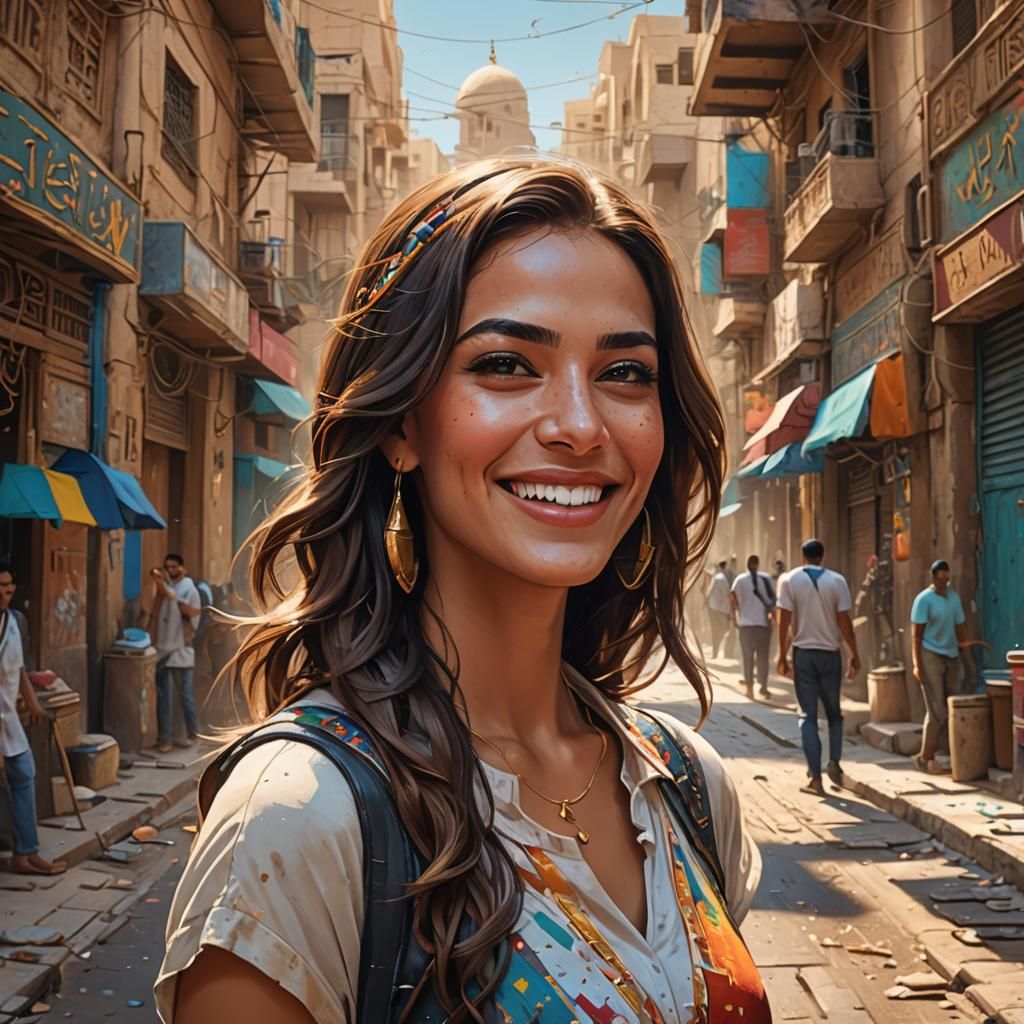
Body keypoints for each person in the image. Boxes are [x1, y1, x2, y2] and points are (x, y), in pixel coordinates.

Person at [156, 160, 768, 1024]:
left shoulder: (689, 790)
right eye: (509, 364)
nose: (581, 426)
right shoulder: (300, 824)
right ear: (401, 423)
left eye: (625, 373)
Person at [777, 539, 860, 796]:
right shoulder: (837, 581)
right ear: (822, 556)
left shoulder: (789, 580)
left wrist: (782, 655)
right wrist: (854, 654)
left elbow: (784, 621)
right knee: (834, 713)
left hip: (803, 656)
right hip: (830, 656)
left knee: (808, 716)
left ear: (803, 556)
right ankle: (834, 763)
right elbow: (844, 621)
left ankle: (816, 778)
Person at [0, 563, 66, 876]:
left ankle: (26, 853)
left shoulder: (16, 622)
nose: (5, 592)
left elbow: (21, 670)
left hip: (9, 720)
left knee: (25, 776)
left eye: (9, 586)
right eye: (0, 586)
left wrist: (33, 704)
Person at [911, 559, 971, 774]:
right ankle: (925, 756)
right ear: (933, 577)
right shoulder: (924, 600)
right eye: (940, 577)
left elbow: (960, 627)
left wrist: (968, 657)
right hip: (930, 656)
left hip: (951, 656)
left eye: (947, 577)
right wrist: (917, 664)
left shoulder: (953, 599)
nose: (944, 580)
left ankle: (950, 755)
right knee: (936, 710)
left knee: (952, 707)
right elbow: (916, 636)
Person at [148, 554, 201, 754]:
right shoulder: (168, 588)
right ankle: (165, 739)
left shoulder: (188, 588)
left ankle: (193, 733)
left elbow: (190, 613)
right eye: (167, 567)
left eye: (174, 567)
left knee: (185, 695)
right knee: (164, 698)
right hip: (163, 649)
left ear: (182, 568)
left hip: (182, 650)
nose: (170, 570)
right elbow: (157, 608)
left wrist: (168, 591)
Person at [730, 555, 775, 700]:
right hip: (762, 625)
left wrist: (735, 614)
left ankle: (749, 689)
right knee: (763, 657)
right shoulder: (766, 578)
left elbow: (732, 596)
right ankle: (763, 687)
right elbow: (773, 600)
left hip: (746, 625)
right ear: (758, 564)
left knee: (747, 657)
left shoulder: (740, 579)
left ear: (747, 564)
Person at [706, 559, 734, 659]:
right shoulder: (720, 578)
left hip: (715, 608)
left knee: (717, 631)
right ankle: (715, 651)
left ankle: (715, 651)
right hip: (720, 610)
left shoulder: (717, 577)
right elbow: (726, 595)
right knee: (720, 631)